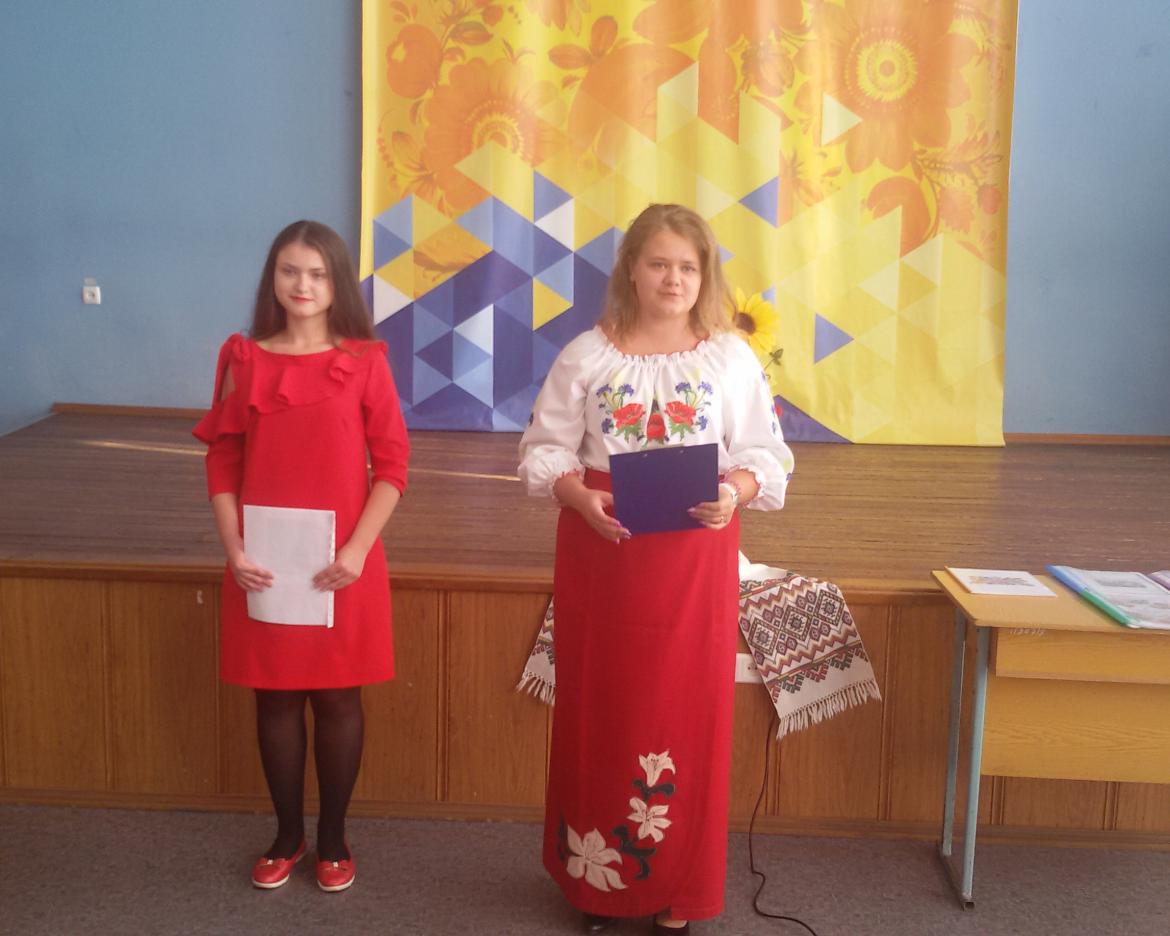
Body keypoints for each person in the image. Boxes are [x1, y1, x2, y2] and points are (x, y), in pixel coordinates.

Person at [518, 204, 794, 933]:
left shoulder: (729, 358)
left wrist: (736, 492)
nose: (674, 279)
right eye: (659, 263)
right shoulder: (587, 355)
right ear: (632, 271)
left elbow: (764, 454)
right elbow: (544, 449)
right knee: (601, 708)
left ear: (705, 277)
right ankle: (598, 884)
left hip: (693, 558)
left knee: (685, 710)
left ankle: (679, 890)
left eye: (688, 267)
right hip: (603, 550)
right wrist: (576, 495)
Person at [193, 220, 409, 893]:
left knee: (339, 698)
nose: (303, 285)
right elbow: (223, 460)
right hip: (264, 562)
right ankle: (287, 836)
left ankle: (334, 839)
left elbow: (393, 467)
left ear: (337, 282)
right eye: (290, 271)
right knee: (276, 699)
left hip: (344, 562)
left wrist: (358, 549)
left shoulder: (365, 361)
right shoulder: (243, 358)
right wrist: (233, 547)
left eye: (317, 273)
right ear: (273, 279)